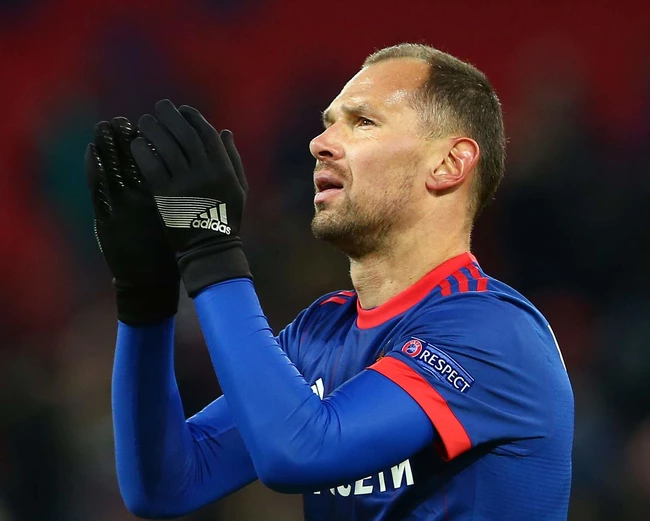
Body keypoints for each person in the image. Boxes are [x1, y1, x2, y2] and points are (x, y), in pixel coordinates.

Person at [86, 43, 573, 520]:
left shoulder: (494, 330)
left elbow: (301, 453)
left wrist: (210, 250)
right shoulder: (320, 331)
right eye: (328, 123)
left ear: (448, 164)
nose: (320, 143)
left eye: (363, 122)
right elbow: (166, 486)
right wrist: (145, 296)